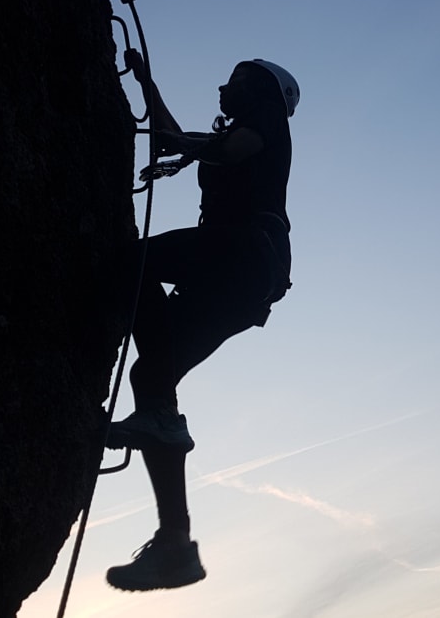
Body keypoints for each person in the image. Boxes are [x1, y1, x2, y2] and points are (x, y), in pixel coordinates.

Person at [104, 51, 300, 592]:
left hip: (242, 252)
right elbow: (172, 137)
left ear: (260, 89)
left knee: (134, 261)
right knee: (150, 379)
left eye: (235, 79)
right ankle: (175, 544)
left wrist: (189, 146)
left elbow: (228, 147)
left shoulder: (265, 121)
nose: (223, 86)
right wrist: (145, 82)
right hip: (238, 280)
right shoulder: (237, 131)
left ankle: (160, 421)